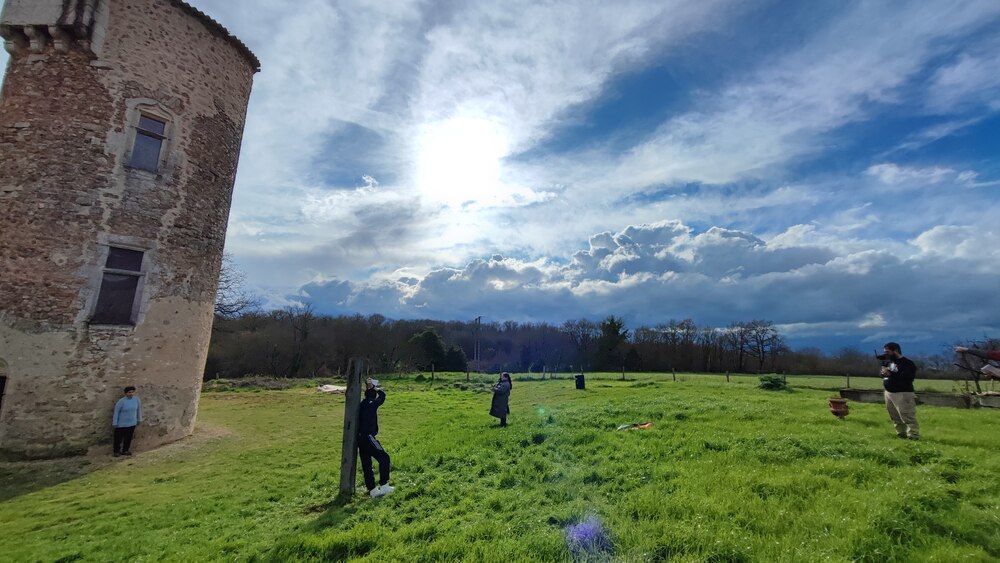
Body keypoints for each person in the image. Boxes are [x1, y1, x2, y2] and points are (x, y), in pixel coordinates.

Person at [358, 378, 393, 498]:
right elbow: (382, 396)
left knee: (367, 464)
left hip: (360, 438)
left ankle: (372, 490)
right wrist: (375, 388)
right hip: (368, 436)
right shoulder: (372, 404)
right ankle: (384, 485)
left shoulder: (362, 404)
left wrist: (370, 388)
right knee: (384, 458)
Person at [879, 342, 919, 440]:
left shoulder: (907, 363)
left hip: (903, 393)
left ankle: (913, 435)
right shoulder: (890, 362)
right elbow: (887, 374)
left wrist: (891, 374)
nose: (886, 354)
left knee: (907, 415)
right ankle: (901, 433)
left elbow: (907, 377)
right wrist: (883, 373)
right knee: (895, 416)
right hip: (889, 393)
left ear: (895, 351)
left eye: (888, 352)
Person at [112, 386, 142, 456]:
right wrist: (115, 422)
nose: (131, 394)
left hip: (132, 423)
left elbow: (139, 410)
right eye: (129, 392)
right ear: (126, 393)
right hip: (121, 424)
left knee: (128, 438)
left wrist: (139, 419)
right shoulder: (121, 401)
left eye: (132, 392)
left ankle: (125, 450)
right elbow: (116, 412)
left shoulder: (136, 400)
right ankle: (116, 451)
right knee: (118, 439)